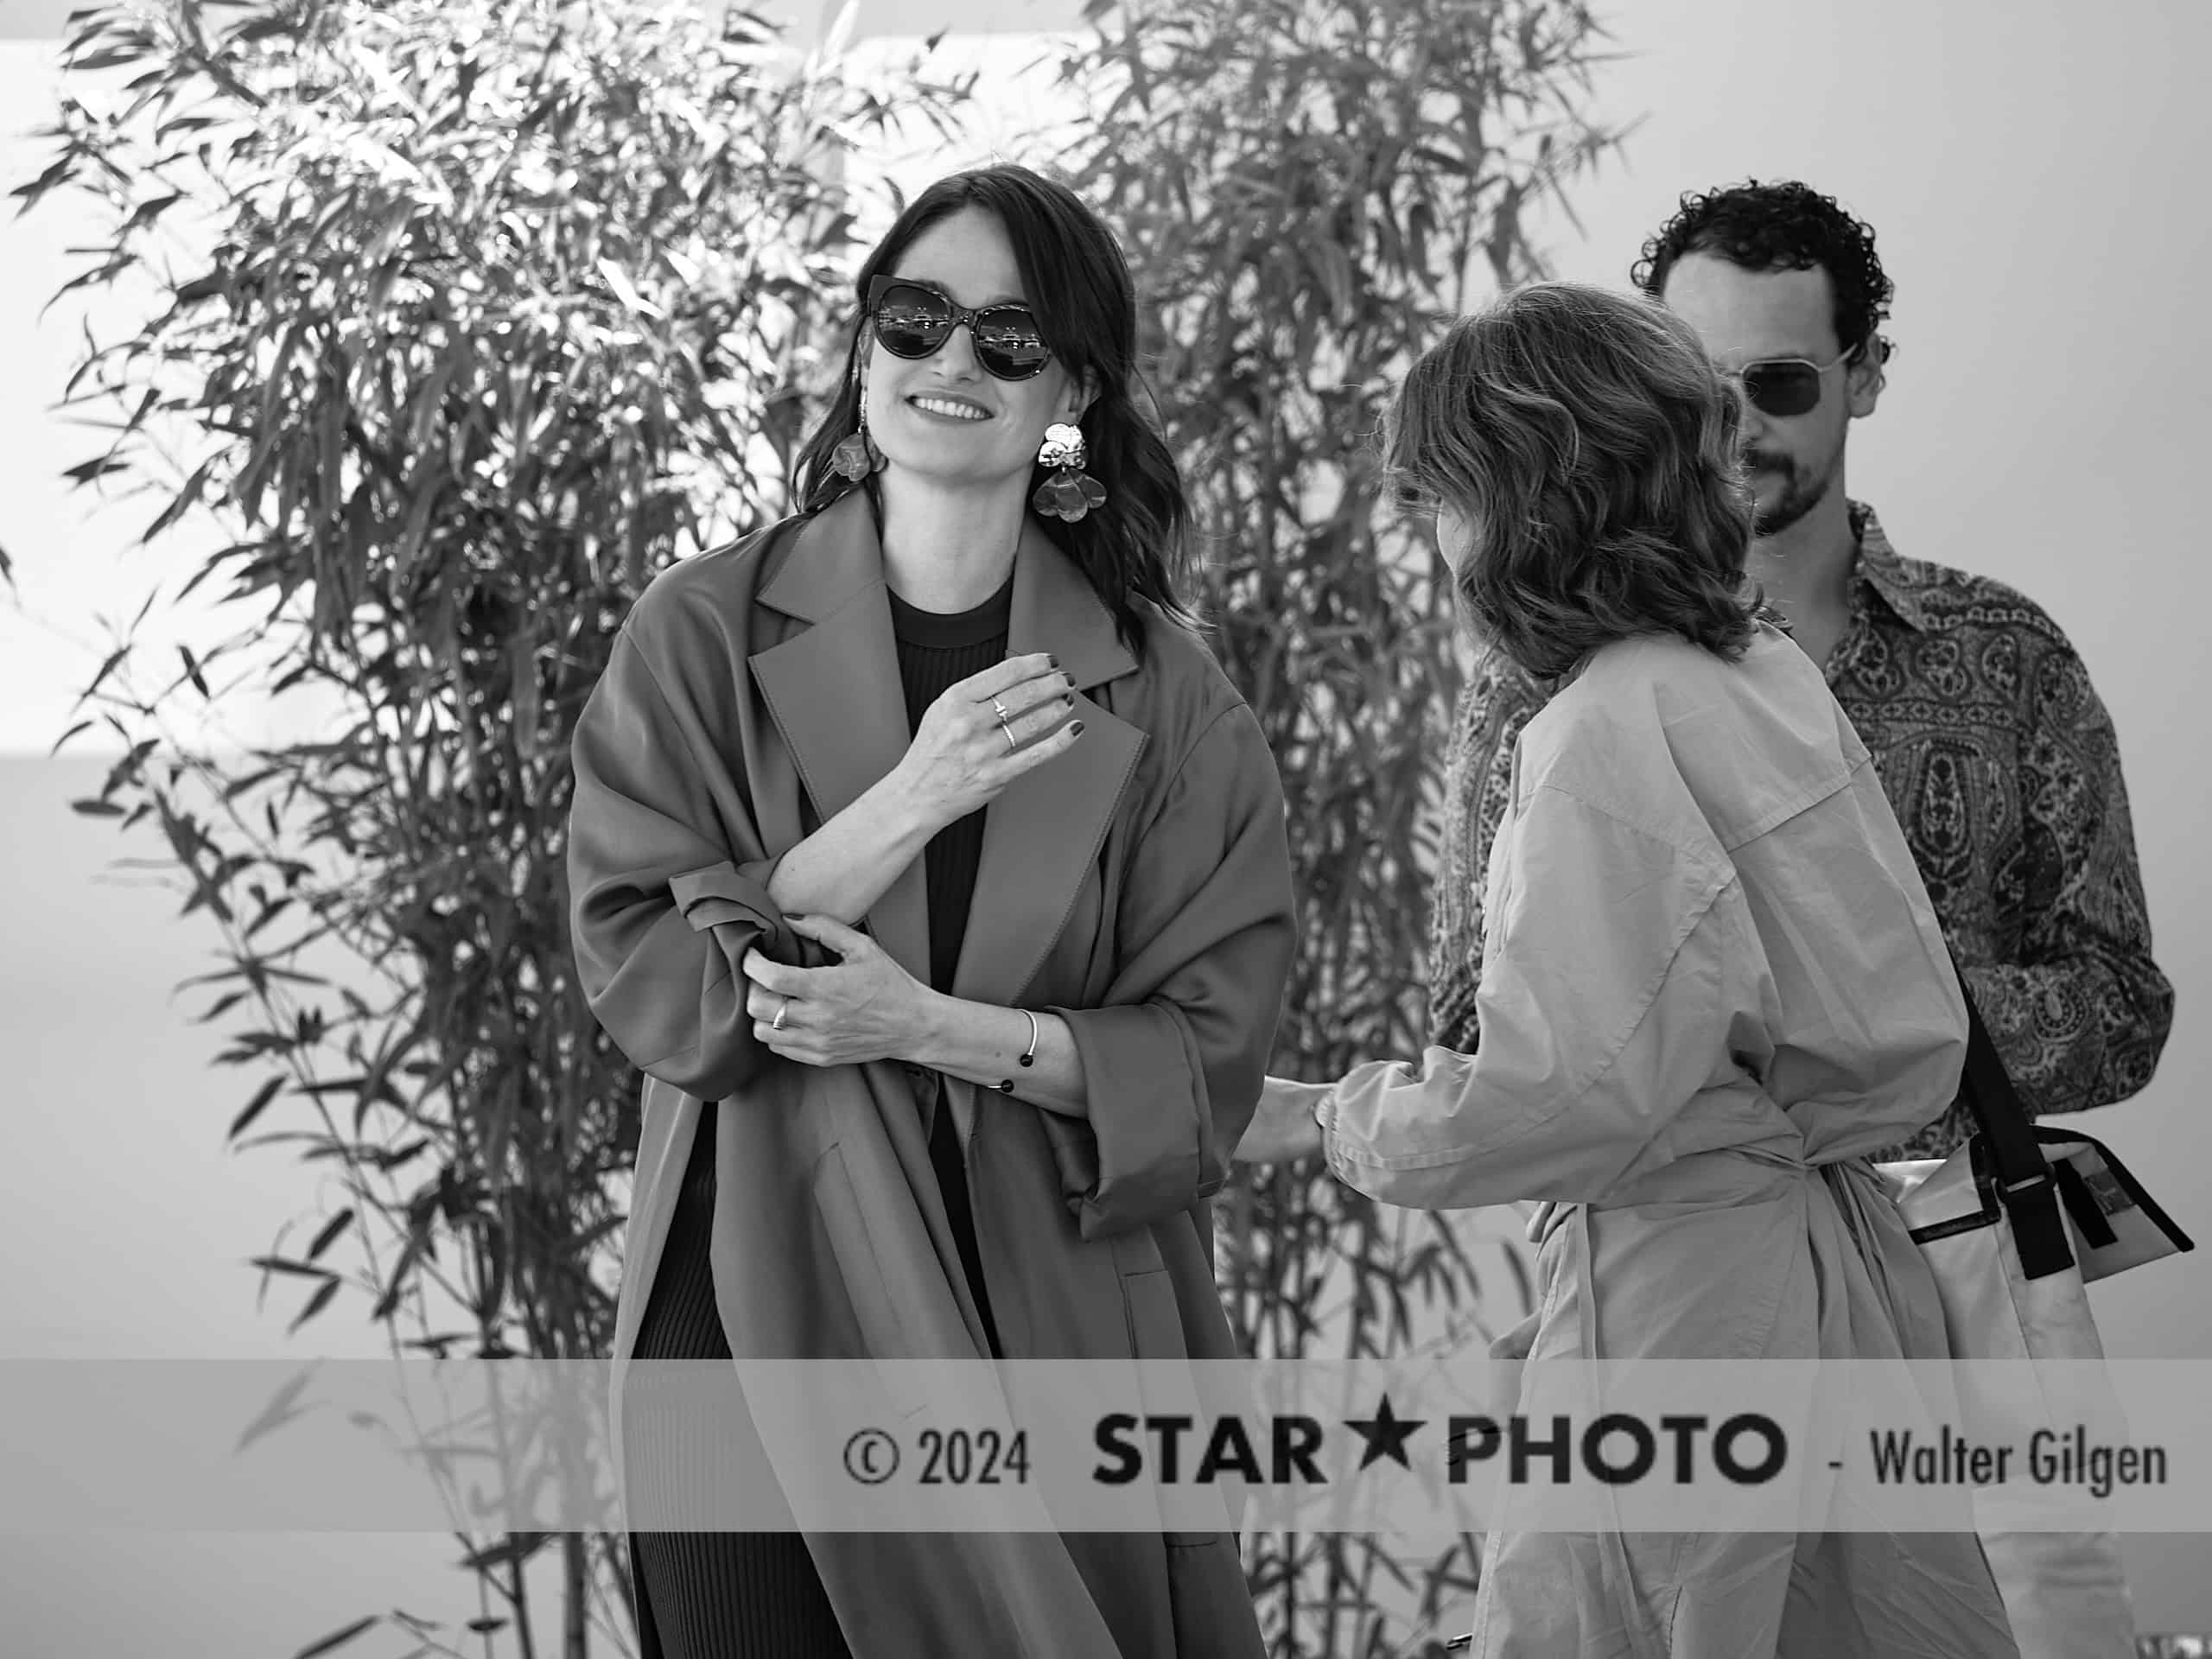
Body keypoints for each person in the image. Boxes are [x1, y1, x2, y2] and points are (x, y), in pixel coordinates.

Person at [567, 163, 1294, 1659]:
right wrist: (915, 793)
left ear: (1073, 387)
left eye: (1010, 339)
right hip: (750, 1276)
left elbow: (1202, 1066)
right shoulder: (698, 633)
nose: (953, 362)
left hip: (1050, 1303)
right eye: (916, 319)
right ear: (862, 348)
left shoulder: (1170, 696)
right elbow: (647, 972)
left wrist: (931, 1029)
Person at [1233, 280, 2021, 1656]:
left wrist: (1318, 1115)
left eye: (1447, 502)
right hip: (1840, 1278)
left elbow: (1559, 1094)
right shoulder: (1759, 675)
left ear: (1528, 505)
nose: (1440, 542)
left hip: (1686, 1300)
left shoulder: (1602, 730)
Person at [1427, 180, 2171, 1161]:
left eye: (1778, 380)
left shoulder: (2009, 657)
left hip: (1965, 1274)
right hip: (1695, 1281)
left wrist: (1872, 996)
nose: (1736, 422)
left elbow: (2120, 1015)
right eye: (1700, 380)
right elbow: (1470, 1027)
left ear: (1863, 374)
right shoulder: (1543, 670)